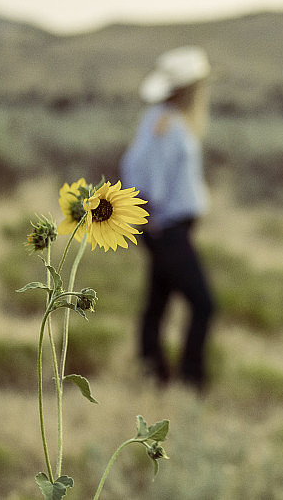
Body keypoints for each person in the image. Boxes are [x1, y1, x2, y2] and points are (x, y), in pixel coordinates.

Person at [120, 45, 216, 391]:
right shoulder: (168, 123)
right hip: (166, 226)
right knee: (203, 304)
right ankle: (190, 380)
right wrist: (152, 213)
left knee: (157, 300)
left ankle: (153, 373)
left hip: (167, 224)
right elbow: (146, 173)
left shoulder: (160, 117)